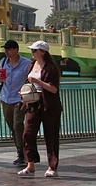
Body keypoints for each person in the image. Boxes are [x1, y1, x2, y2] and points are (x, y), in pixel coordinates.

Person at [18, 40, 63, 178]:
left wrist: (37, 81)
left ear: (43, 52)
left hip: (49, 105)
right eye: (31, 50)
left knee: (51, 136)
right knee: (28, 133)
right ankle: (30, 164)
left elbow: (53, 89)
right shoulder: (31, 65)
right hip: (33, 103)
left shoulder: (51, 68)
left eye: (34, 50)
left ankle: (52, 166)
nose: (32, 53)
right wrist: (24, 94)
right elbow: (28, 82)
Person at [0, 39, 31, 166]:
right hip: (5, 98)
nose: (6, 51)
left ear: (16, 50)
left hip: (19, 99)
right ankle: (20, 152)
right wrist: (0, 79)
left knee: (18, 126)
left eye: (9, 49)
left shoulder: (26, 63)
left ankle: (23, 154)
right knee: (12, 127)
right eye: (5, 49)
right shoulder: (3, 61)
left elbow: (30, 80)